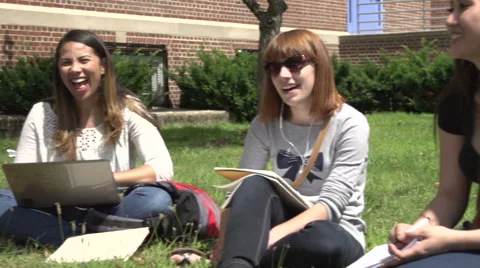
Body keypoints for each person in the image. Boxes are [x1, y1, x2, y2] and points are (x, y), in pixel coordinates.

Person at [210, 29, 370, 268]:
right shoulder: (264, 123)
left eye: (295, 64)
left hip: (333, 229)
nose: (283, 75)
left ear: (320, 66)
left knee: (324, 243)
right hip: (281, 223)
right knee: (253, 182)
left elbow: (332, 203)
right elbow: (238, 193)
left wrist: (271, 236)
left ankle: (251, 253)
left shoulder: (350, 123)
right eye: (274, 68)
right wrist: (223, 245)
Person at [0, 29, 174, 246]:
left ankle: (66, 236)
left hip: (112, 208)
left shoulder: (128, 111)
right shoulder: (41, 112)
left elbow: (162, 169)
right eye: (66, 62)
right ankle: (100, 236)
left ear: (102, 66)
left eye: (84, 60)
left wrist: (103, 179)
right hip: (54, 209)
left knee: (156, 199)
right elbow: (22, 177)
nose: (75, 69)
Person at [385, 1, 480, 267]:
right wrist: (417, 232)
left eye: (463, 6)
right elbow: (450, 194)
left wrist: (451, 240)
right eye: (450, 9)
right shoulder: (458, 100)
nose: (449, 20)